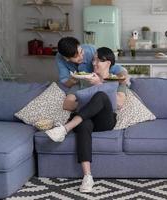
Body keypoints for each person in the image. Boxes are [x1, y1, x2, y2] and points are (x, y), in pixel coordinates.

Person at [46, 47, 127, 193]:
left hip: (105, 121)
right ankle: (87, 177)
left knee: (101, 95)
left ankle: (65, 129)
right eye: (93, 59)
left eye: (98, 60)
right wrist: (86, 103)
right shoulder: (83, 79)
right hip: (84, 120)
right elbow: (67, 103)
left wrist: (98, 86)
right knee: (84, 123)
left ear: (108, 63)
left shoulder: (117, 80)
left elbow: (119, 103)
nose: (93, 63)